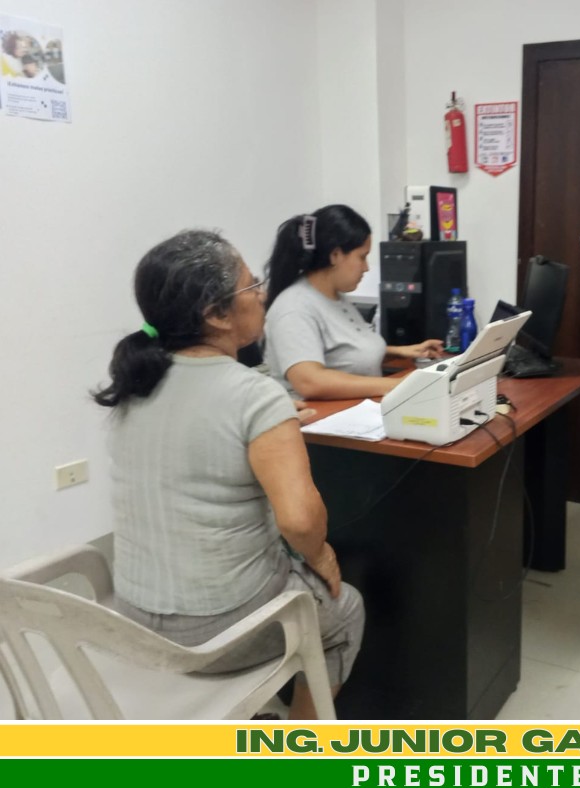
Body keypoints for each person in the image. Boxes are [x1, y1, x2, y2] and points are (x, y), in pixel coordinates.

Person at [93, 229, 364, 719]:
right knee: (346, 609)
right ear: (216, 315)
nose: (261, 294)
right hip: (213, 630)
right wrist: (322, 556)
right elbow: (300, 522)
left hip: (131, 615)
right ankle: (300, 746)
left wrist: (270, 422)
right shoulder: (255, 396)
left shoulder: (134, 383)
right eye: (251, 285)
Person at [263, 204, 443, 399]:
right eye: (362, 257)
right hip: (320, 416)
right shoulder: (294, 308)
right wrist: (398, 384)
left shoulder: (336, 298)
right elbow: (310, 381)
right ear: (335, 255)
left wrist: (400, 351)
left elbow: (342, 355)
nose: (366, 268)